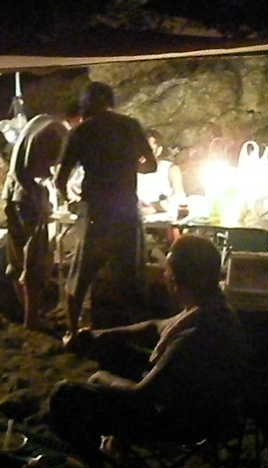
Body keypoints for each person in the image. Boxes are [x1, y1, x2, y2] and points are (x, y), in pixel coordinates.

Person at [48, 234, 250, 468]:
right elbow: (155, 327)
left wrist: (101, 378)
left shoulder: (194, 335)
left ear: (174, 280)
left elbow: (140, 394)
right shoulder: (213, 308)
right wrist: (97, 335)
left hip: (182, 422)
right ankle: (118, 445)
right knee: (112, 346)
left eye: (166, 271)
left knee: (65, 396)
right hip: (200, 402)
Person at [54, 82, 157, 339]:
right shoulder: (130, 125)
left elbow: (60, 179)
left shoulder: (80, 132)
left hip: (96, 212)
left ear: (85, 105)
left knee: (81, 274)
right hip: (125, 209)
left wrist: (70, 200)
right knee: (131, 277)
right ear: (110, 101)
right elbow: (151, 166)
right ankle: (137, 333)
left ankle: (72, 331)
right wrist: (128, 166)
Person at [1, 105, 81, 330]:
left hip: (12, 192)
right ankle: (32, 319)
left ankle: (27, 312)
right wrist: (68, 197)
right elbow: (54, 172)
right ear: (78, 119)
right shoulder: (59, 131)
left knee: (17, 256)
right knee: (35, 259)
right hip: (30, 197)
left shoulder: (40, 120)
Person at [137, 128, 186, 216]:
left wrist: (155, 207)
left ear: (159, 150)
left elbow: (180, 199)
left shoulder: (171, 169)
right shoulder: (128, 171)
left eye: (149, 150)